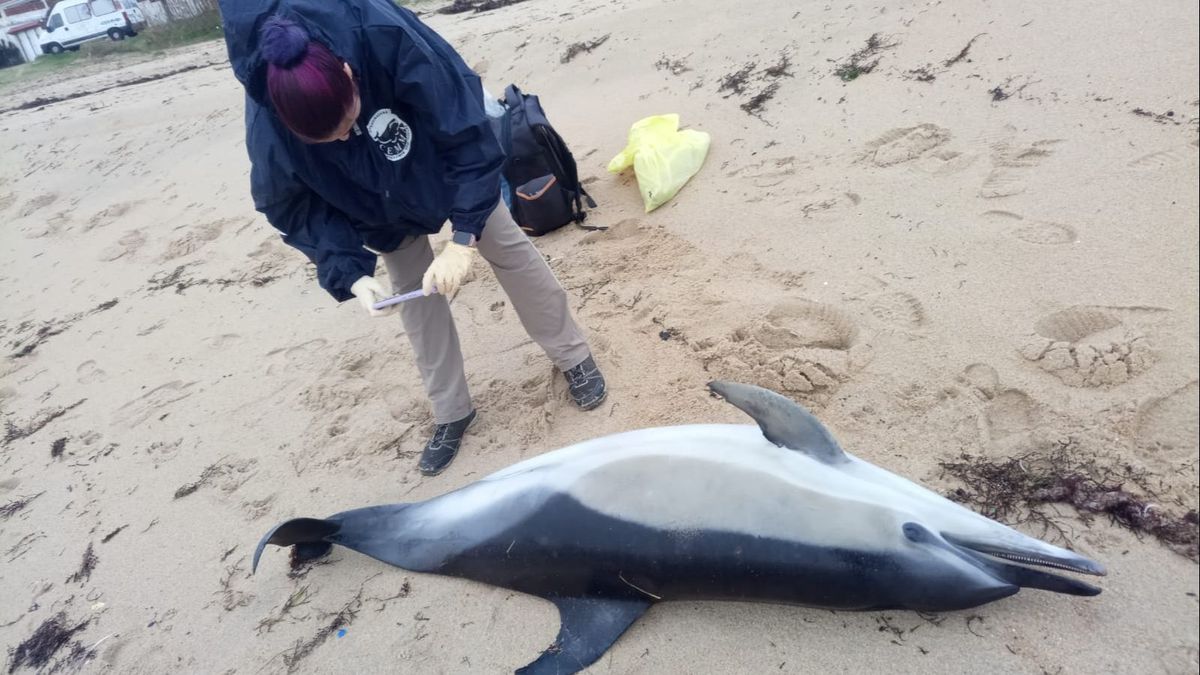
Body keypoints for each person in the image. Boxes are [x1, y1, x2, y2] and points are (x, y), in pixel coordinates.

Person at [218, 0, 607, 476]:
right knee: (415, 291)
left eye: (345, 124)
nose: (343, 139)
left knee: (507, 248)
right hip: (371, 204)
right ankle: (452, 410)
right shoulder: (269, 117)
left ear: (348, 71)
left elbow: (466, 131)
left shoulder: (383, 33)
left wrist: (463, 236)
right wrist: (348, 272)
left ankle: (574, 357)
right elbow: (290, 204)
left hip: (439, 164)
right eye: (327, 141)